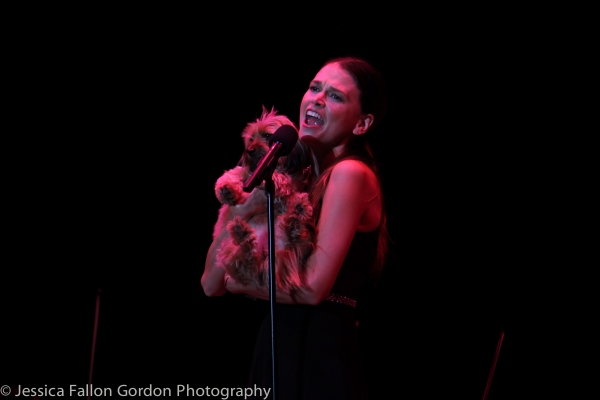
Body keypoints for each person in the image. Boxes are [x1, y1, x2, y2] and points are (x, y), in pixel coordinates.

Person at [201, 56, 390, 400]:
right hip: (278, 344)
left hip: (317, 352)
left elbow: (314, 289)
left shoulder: (351, 174)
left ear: (362, 124)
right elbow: (210, 284)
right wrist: (242, 205)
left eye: (335, 96)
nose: (317, 98)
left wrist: (240, 285)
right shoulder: (293, 179)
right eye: (315, 87)